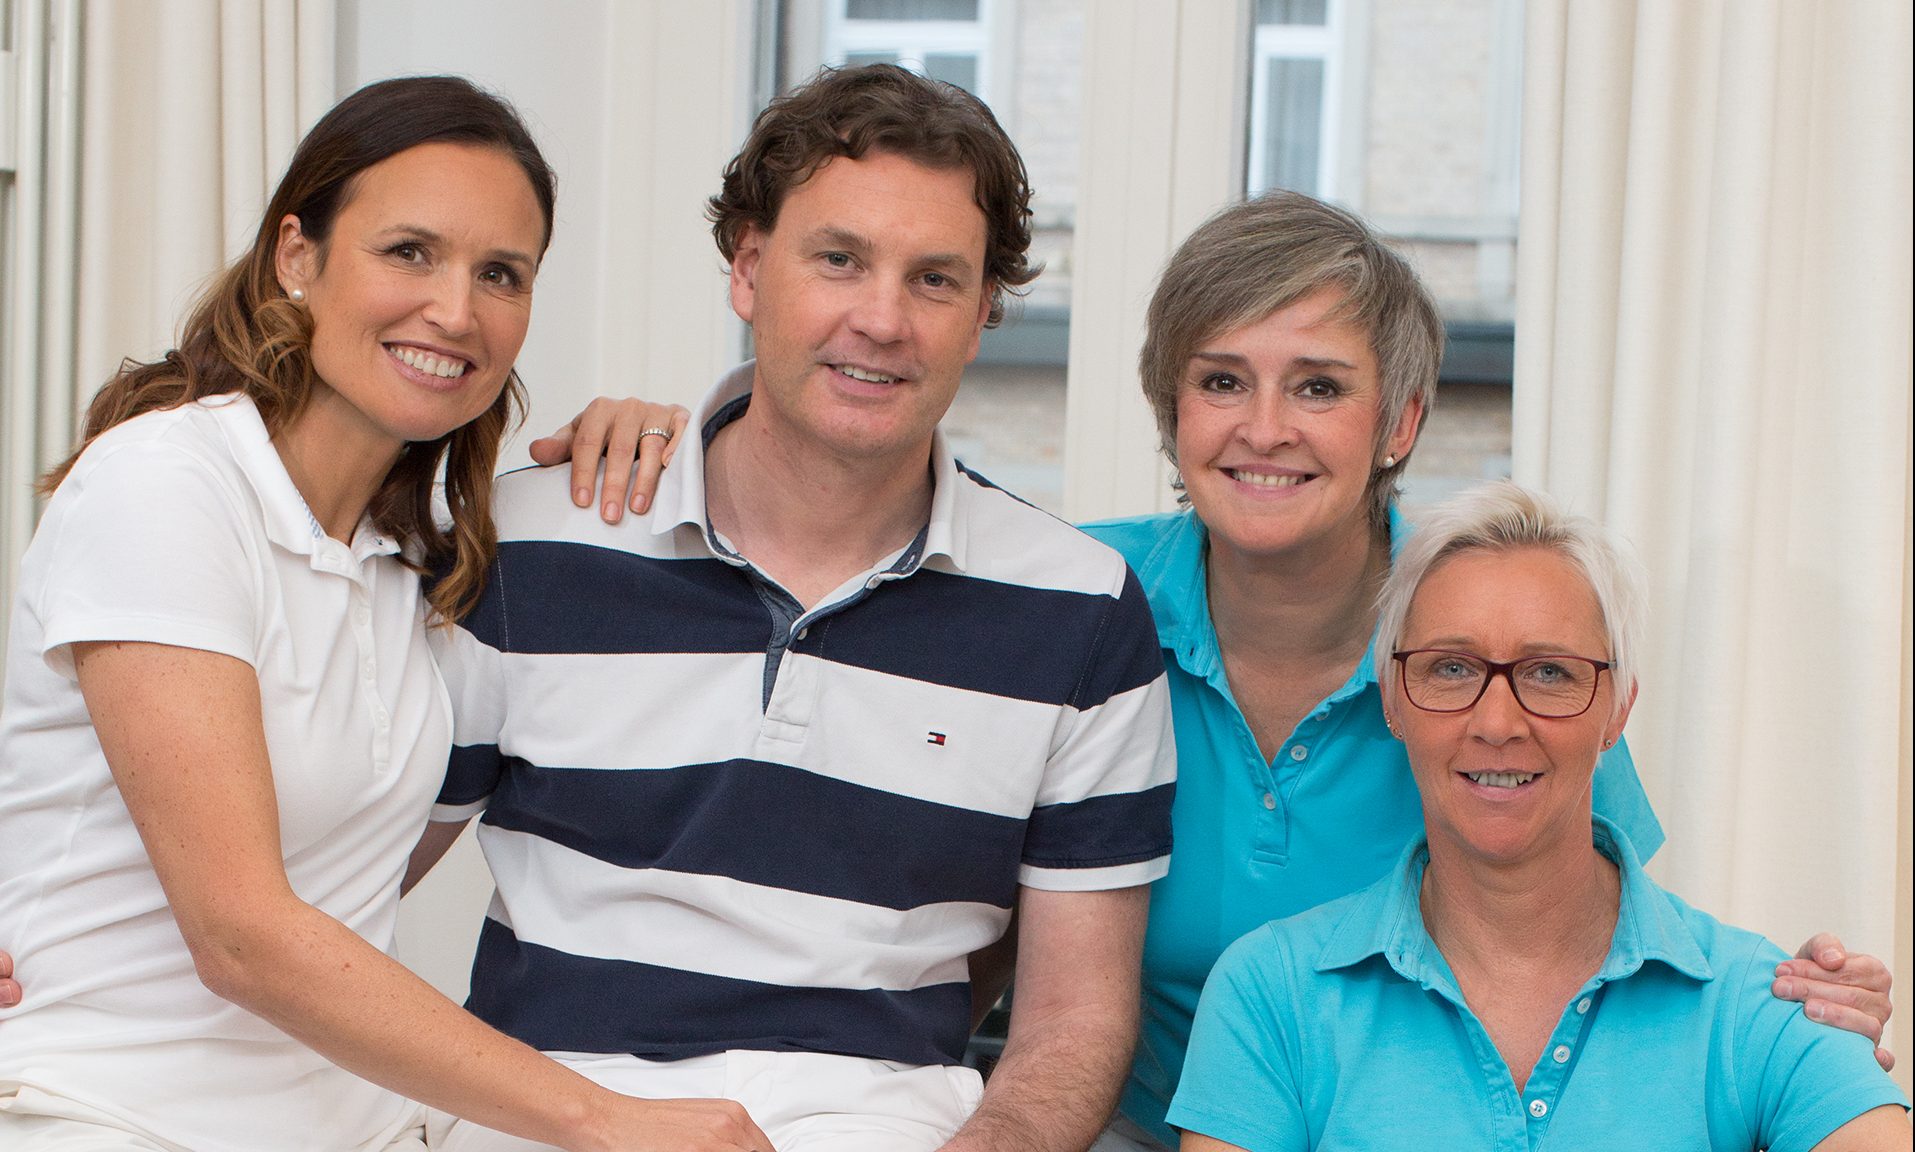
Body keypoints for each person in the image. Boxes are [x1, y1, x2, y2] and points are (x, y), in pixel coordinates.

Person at [556, 188, 1896, 1151]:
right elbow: (853, 534)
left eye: (1317, 386)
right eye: (1219, 382)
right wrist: (693, 437)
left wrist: (1789, 1008)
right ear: (1169, 410)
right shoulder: (1068, 603)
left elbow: (1595, 944)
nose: (1264, 429)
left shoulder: (1478, 655)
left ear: (1399, 420)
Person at [404, 63, 1175, 1152]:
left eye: (934, 280)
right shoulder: (531, 545)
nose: (881, 319)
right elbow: (341, 890)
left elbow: (1073, 1022)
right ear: (749, 268)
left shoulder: (1078, 609)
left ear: (982, 316)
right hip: (550, 1116)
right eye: (839, 259)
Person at [0, 77, 768, 1152]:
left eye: (500, 274)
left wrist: (647, 438)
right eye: (409, 251)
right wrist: (604, 1119)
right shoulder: (166, 483)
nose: (456, 311)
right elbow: (240, 936)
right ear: (297, 255)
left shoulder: (419, 560)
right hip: (111, 1116)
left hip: (358, 1127)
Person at [1168, 480, 1910, 1150]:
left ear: (1617, 710)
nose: (1497, 723)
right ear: (1392, 699)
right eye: (1451, 668)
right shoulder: (1270, 996)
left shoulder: (1760, 1003)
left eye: (1550, 672)